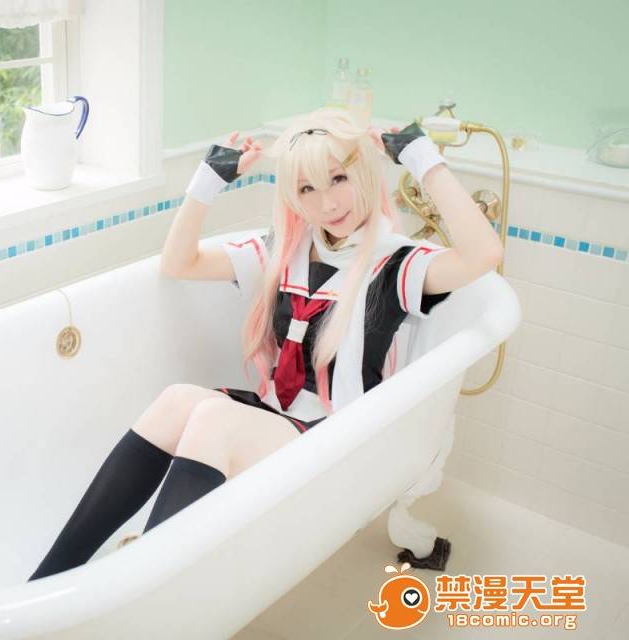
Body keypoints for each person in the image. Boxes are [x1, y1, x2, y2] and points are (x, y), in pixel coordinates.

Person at [27, 107, 503, 582]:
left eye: (338, 179)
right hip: (278, 418)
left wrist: (424, 161)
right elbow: (177, 262)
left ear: (363, 173)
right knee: (176, 401)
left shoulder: (396, 263)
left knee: (212, 418)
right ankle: (49, 581)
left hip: (339, 436)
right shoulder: (285, 250)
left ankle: (139, 585)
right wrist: (208, 181)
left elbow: (484, 254)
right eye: (306, 189)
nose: (327, 204)